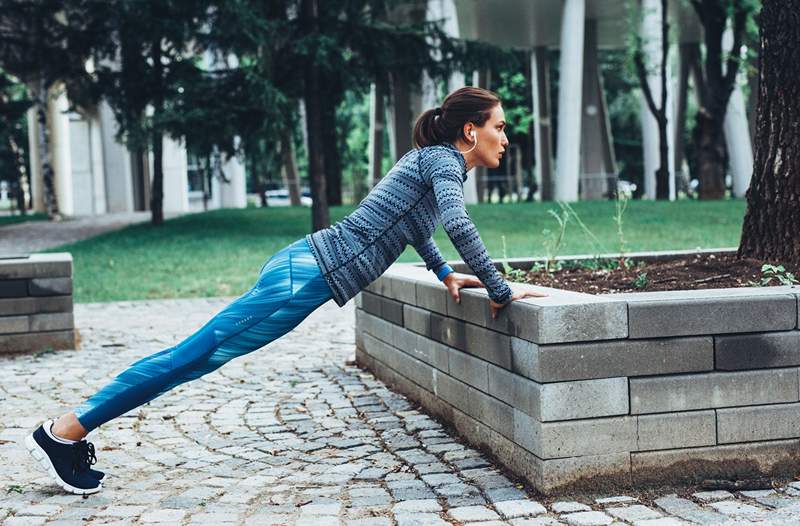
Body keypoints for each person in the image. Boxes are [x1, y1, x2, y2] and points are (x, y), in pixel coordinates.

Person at [25, 86, 548, 495]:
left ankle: (71, 430)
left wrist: (444, 273)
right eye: (499, 128)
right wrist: (500, 289)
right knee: (190, 356)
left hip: (305, 271)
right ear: (470, 130)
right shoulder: (442, 163)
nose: (506, 137)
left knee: (197, 359)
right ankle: (67, 430)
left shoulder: (437, 163)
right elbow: (457, 224)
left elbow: (413, 225)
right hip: (303, 277)